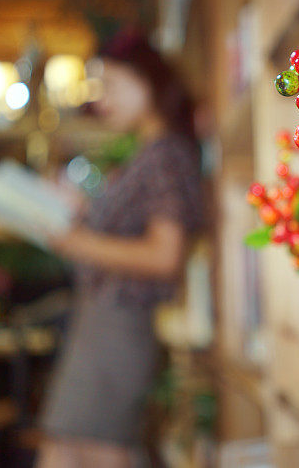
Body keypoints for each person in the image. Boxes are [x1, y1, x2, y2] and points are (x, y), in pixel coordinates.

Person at [36, 29, 204, 468]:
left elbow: (164, 256)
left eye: (110, 83)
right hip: (103, 324)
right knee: (77, 447)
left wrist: (78, 242)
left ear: (147, 79)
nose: (101, 99)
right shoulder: (151, 151)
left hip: (118, 326)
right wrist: (86, 212)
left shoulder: (165, 153)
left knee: (85, 449)